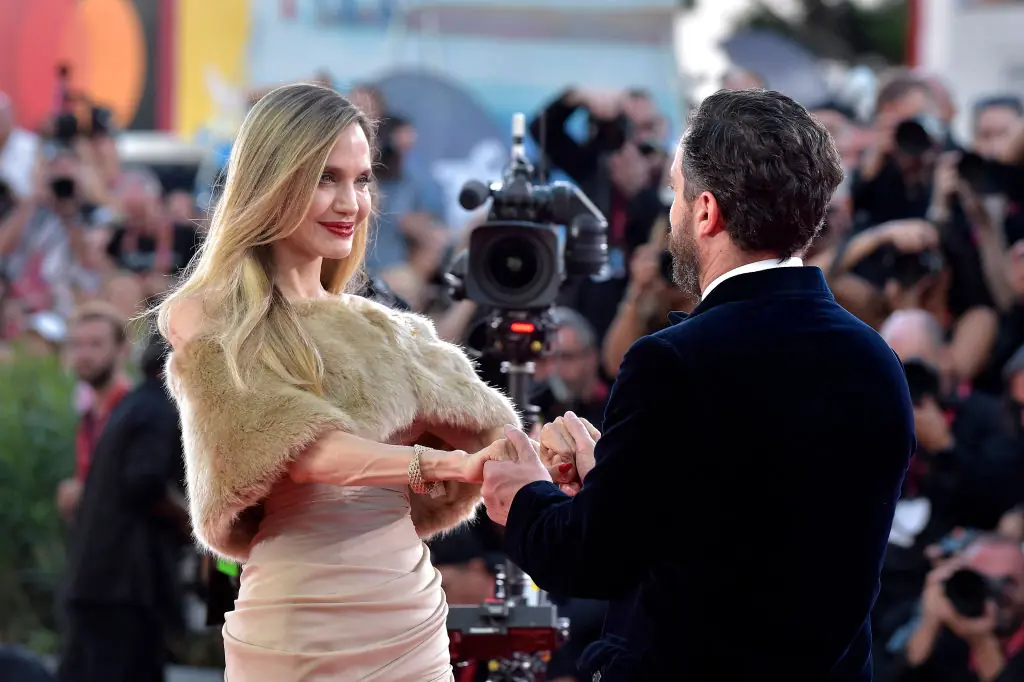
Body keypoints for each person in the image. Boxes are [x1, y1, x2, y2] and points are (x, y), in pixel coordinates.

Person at [481, 89, 917, 681]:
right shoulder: (876, 358)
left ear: (706, 211)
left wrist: (525, 491)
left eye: (675, 194)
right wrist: (609, 477)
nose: (670, 216)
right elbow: (749, 522)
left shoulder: (674, 362)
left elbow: (592, 562)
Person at [157, 83, 564, 681]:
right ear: (272, 181)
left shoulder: (387, 331)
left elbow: (489, 431)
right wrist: (447, 467)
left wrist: (551, 456)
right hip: (298, 625)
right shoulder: (210, 317)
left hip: (408, 615)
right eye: (326, 178)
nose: (351, 202)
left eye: (362, 180)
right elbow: (300, 449)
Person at [58, 332, 189, 682]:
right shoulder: (158, 408)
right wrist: (191, 522)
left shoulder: (134, 406)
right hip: (123, 590)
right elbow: (144, 483)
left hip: (100, 584)